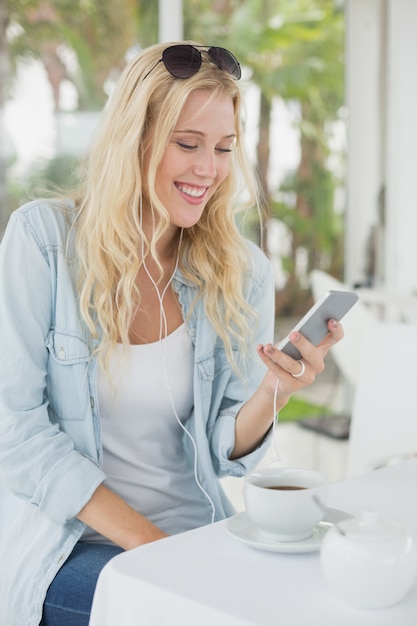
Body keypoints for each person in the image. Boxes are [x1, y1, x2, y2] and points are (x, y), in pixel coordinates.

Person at [0, 41, 343, 626]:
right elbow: (17, 437)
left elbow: (223, 449)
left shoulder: (241, 272)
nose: (208, 169)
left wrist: (273, 391)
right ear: (134, 139)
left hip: (197, 536)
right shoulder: (43, 242)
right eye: (187, 144)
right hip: (69, 546)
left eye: (224, 148)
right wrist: (159, 552)